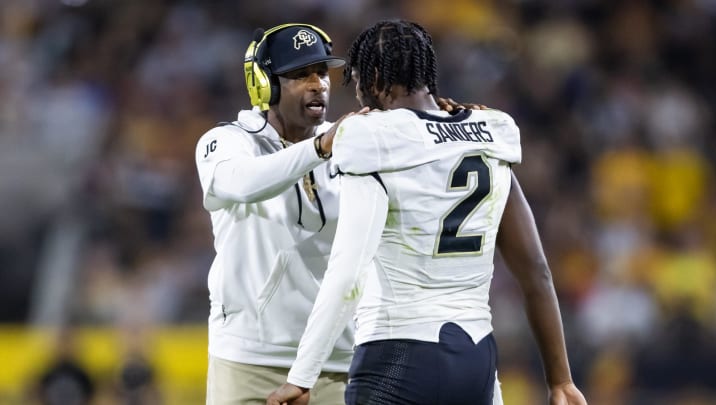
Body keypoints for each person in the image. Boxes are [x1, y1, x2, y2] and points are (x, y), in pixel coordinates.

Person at [267, 19, 588, 405]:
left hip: (399, 354)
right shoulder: (491, 130)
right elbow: (536, 270)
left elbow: (348, 273)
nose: (356, 97)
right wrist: (560, 380)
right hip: (477, 358)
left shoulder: (371, 136)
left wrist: (302, 377)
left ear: (372, 76)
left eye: (355, 81)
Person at [194, 23, 362, 405]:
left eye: (322, 72)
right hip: (248, 360)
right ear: (264, 85)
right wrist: (319, 148)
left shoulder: (350, 140)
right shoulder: (226, 141)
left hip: (335, 358)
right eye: (300, 75)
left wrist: (446, 114)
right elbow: (241, 182)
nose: (318, 84)